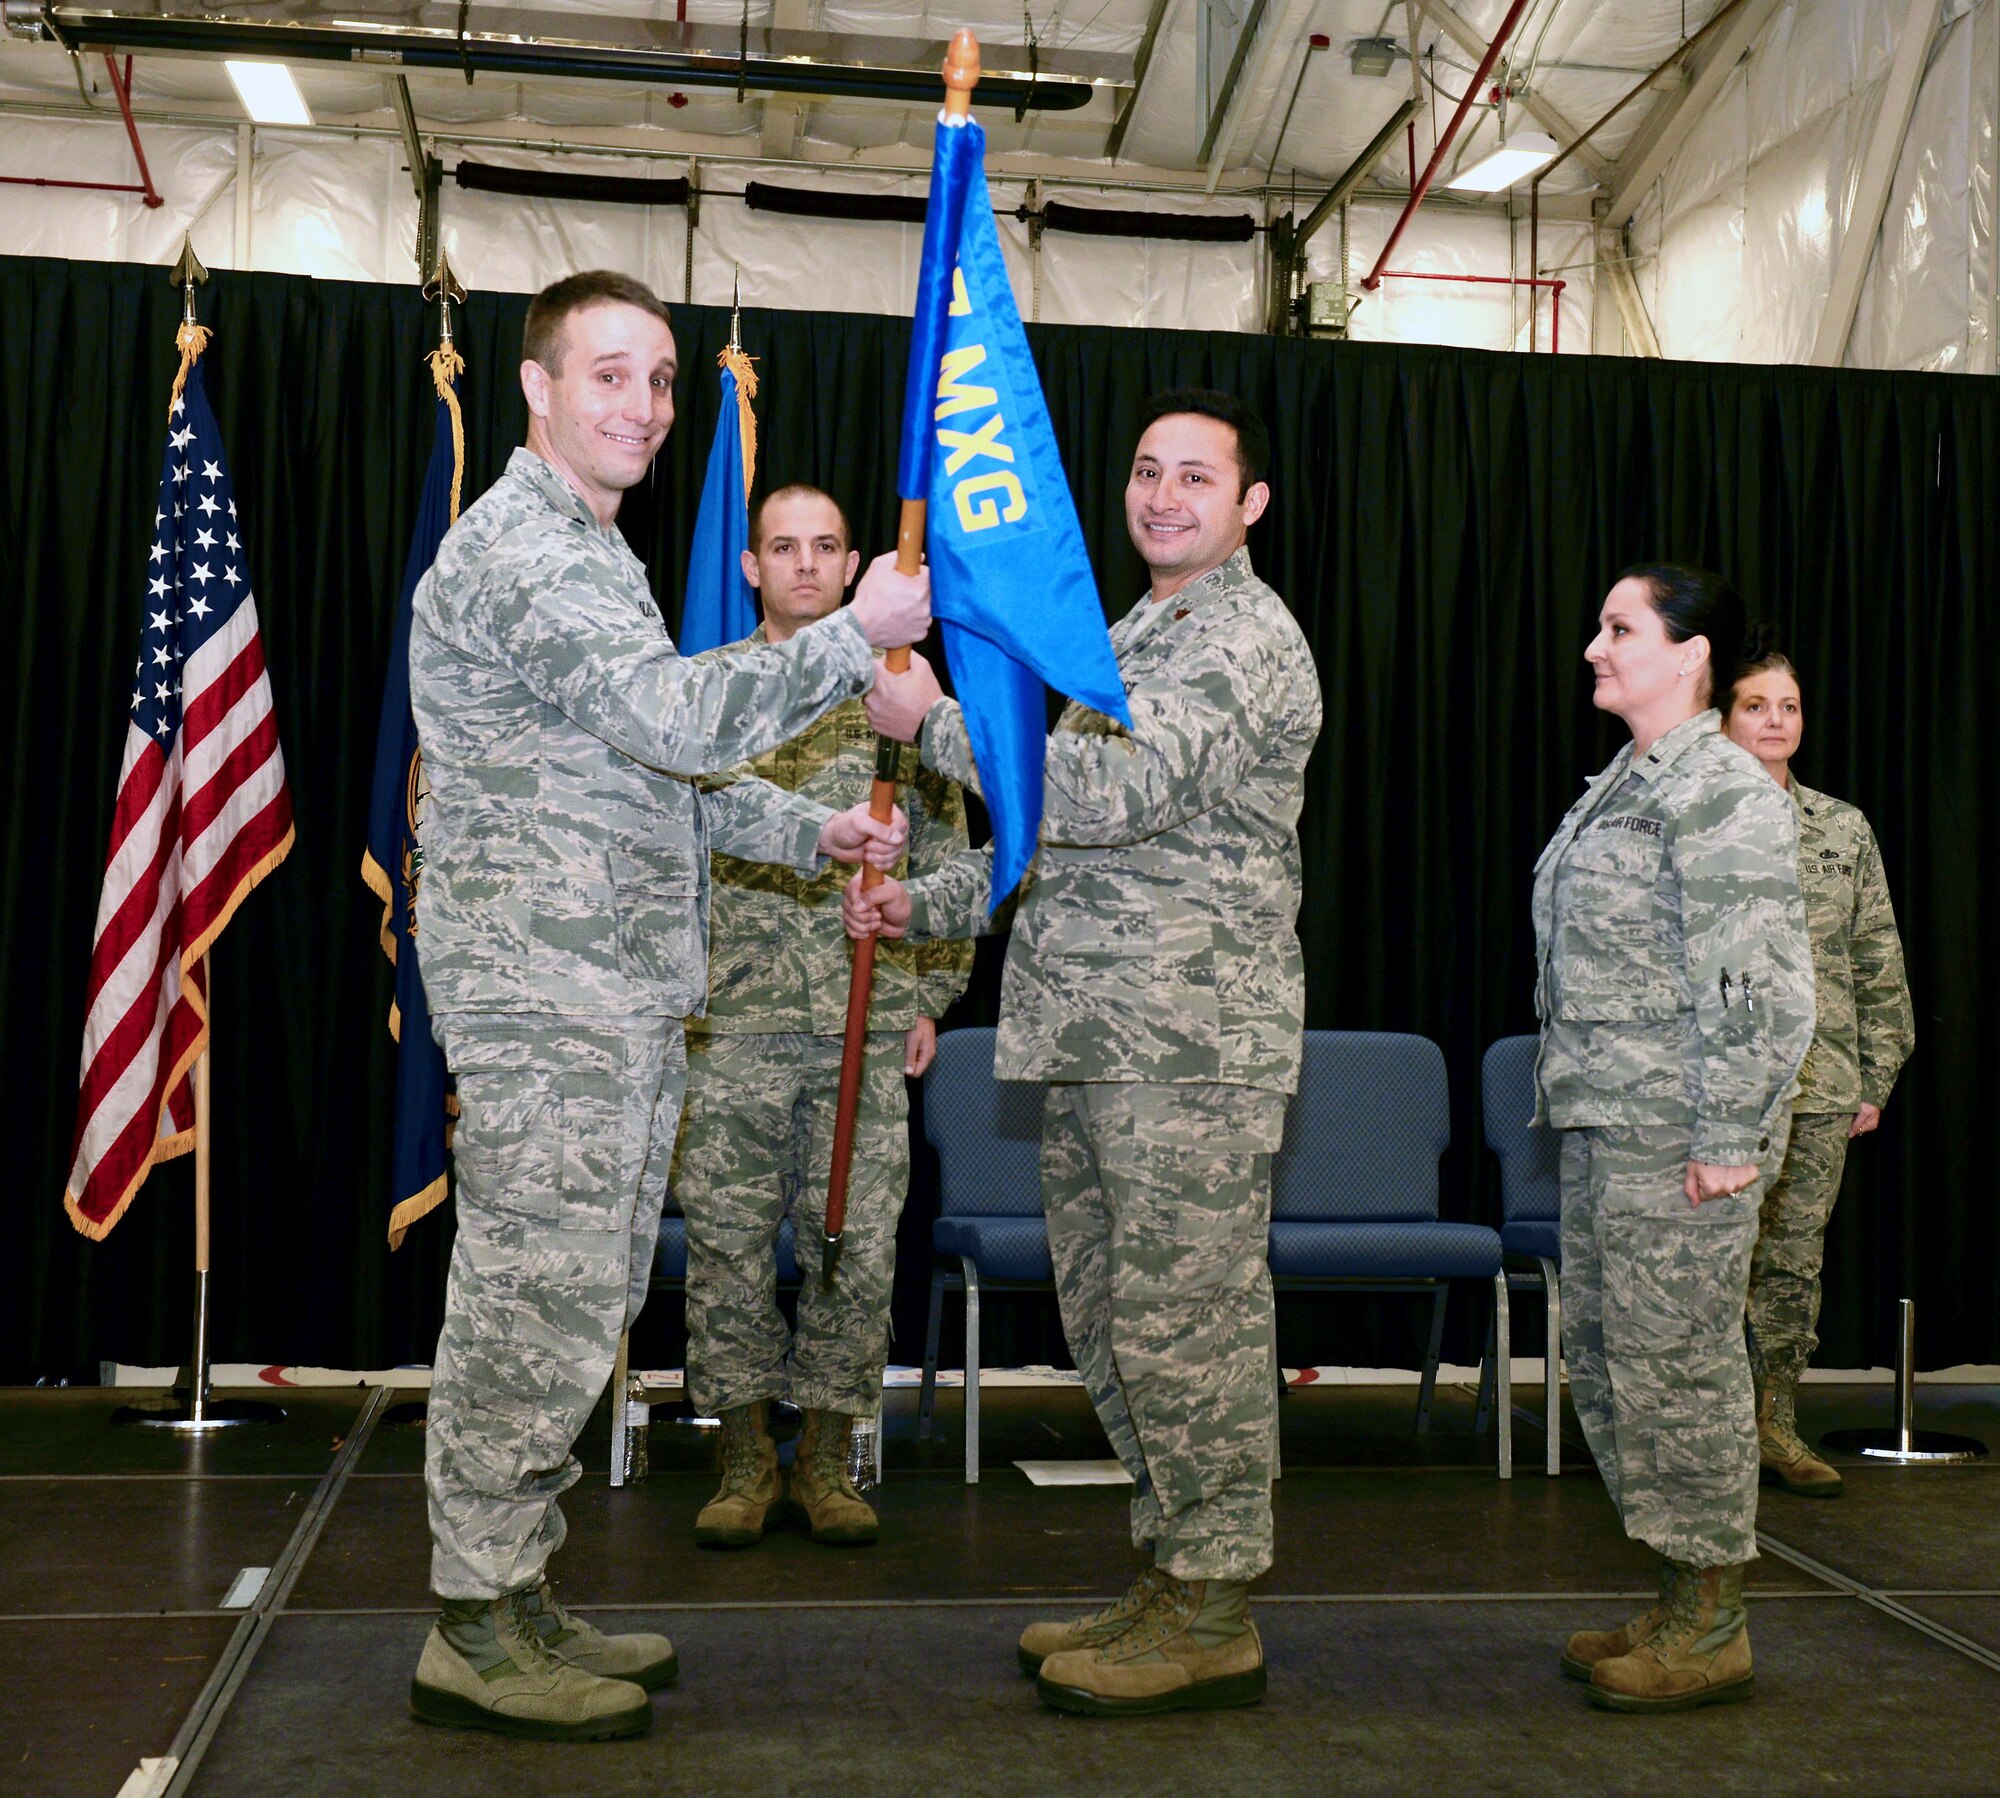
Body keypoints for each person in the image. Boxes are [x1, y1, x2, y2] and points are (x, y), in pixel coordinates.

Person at [405, 271, 931, 1742]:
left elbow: (655, 780)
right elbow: (679, 720)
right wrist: (856, 629)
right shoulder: (526, 549)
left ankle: (516, 1591)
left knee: (577, 1303)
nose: (640, 406)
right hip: (548, 993)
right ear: (538, 387)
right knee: (530, 1304)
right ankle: (473, 1617)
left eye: (659, 381)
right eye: (610, 375)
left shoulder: (592, 547)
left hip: (612, 990)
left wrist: (809, 835)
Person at [846, 389, 1322, 1718]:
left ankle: (1215, 1603)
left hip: (1185, 1049)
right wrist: (927, 901)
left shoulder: (1241, 639)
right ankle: (1172, 1572)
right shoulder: (1136, 633)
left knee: (1189, 1329)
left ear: (1250, 506)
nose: (1165, 497)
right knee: (1119, 1322)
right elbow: (1046, 847)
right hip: (1104, 1036)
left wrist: (933, 723)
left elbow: (1103, 794)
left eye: (1197, 478)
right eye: (1148, 471)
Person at [1535, 566, 1814, 1714]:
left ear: (1690, 654)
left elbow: (1758, 984)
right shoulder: (1626, 783)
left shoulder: (1721, 790)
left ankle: (1711, 1620)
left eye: (1619, 628)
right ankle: (1674, 1587)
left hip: (1679, 1132)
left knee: (1682, 1370)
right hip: (1610, 1120)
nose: (1595, 647)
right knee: (1614, 1362)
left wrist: (1727, 1133)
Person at [676, 483, 973, 1550]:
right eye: (781, 547)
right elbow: (670, 852)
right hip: (731, 1024)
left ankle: (830, 1459)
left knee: (854, 1244)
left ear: (855, 568)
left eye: (826, 547)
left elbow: (948, 862)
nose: (804, 564)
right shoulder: (704, 695)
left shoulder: (900, 701)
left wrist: (929, 993)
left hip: (862, 1018)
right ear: (750, 565)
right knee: (726, 1244)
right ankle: (744, 1453)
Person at [1722, 638, 1913, 1496]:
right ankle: (1709, 1439)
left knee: (1793, 1268)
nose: (1775, 721)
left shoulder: (1841, 827)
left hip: (1821, 1086)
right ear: (1722, 719)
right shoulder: (1695, 819)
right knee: (1714, 1266)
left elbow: (1876, 957)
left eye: (1788, 707)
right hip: (1718, 1096)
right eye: (1756, 705)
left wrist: (1875, 1079)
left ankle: (1776, 1424)